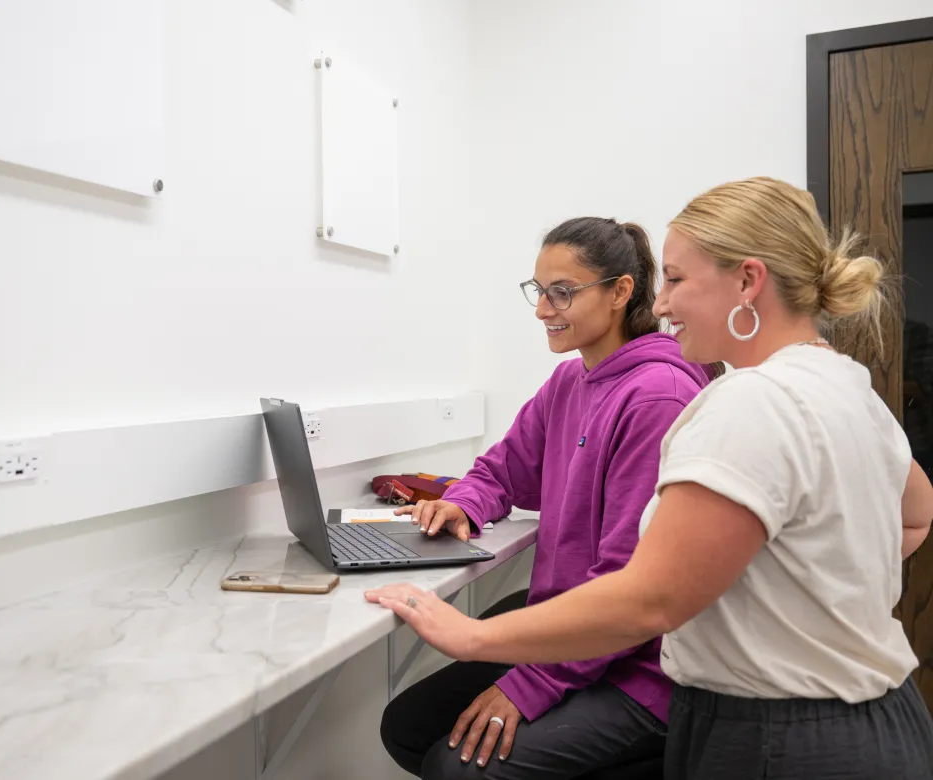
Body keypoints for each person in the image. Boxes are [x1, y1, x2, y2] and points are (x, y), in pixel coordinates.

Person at [367, 177, 933, 780]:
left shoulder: (749, 401)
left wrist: (469, 637)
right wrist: (783, 581)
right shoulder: (846, 386)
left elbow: (648, 599)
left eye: (678, 280)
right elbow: (914, 515)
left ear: (747, 281)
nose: (662, 305)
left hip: (781, 733)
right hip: (878, 717)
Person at [378, 216, 712, 779]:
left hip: (639, 668)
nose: (541, 310)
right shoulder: (571, 381)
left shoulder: (657, 396)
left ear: (620, 292)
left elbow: (625, 589)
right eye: (538, 291)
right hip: (569, 625)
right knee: (407, 728)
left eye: (562, 293)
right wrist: (465, 502)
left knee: (454, 768)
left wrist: (530, 686)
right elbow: (502, 470)